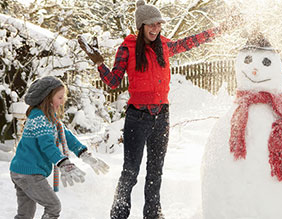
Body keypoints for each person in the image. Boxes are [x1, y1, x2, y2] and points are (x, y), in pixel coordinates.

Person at [78, 0, 238, 218]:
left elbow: (190, 42)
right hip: (137, 117)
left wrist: (221, 29)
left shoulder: (164, 46)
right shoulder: (127, 48)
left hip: (161, 116)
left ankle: (153, 213)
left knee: (155, 171)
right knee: (130, 171)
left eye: (158, 24)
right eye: (150, 24)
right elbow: (113, 81)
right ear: (141, 26)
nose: (155, 28)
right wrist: (98, 63)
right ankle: (119, 213)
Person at [9, 76, 109, 219]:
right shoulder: (39, 118)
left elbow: (67, 136)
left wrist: (85, 155)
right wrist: (64, 163)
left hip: (22, 171)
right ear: (47, 98)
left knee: (25, 214)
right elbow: (47, 145)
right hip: (29, 174)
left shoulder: (50, 118)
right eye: (60, 97)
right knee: (53, 206)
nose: (63, 101)